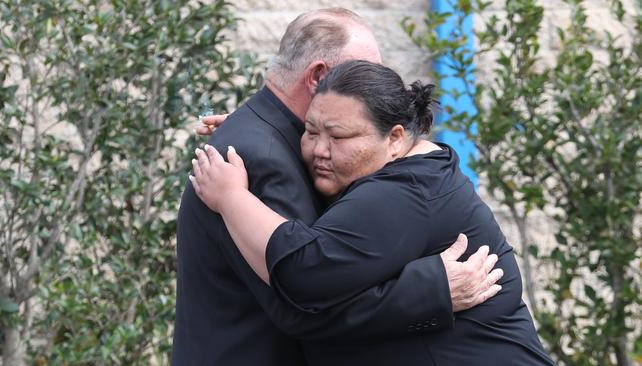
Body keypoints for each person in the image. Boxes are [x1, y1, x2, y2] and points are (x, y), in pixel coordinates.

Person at [173, 8, 502, 366]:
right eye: (358, 74)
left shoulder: (268, 138)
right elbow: (302, 299)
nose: (371, 84)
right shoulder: (260, 158)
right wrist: (433, 289)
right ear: (319, 78)